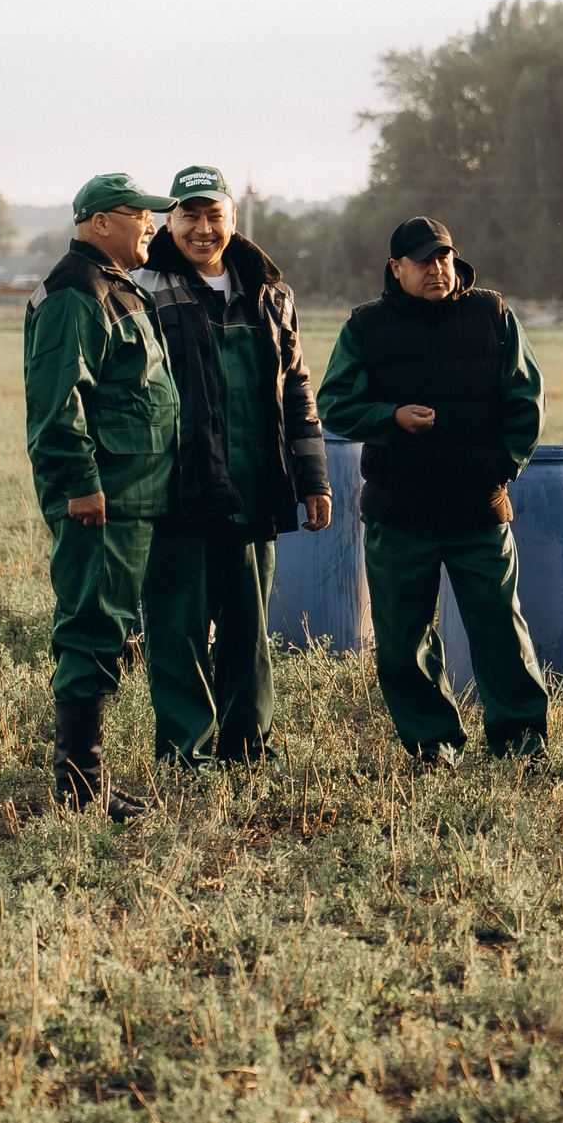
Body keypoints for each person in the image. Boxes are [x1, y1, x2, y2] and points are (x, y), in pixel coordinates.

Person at [316, 217, 551, 763]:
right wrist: (390, 416)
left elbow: (527, 403)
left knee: (499, 631)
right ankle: (433, 744)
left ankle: (520, 742)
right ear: (396, 268)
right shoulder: (365, 327)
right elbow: (335, 403)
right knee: (403, 641)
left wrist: (500, 468)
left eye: (443, 257)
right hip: (399, 514)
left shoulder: (492, 314)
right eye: (422, 261)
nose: (436, 269)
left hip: (478, 508)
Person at [130, 167, 331, 766]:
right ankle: (186, 753)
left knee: (248, 628)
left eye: (213, 214)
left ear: (233, 218)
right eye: (188, 215)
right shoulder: (142, 286)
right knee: (178, 628)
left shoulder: (270, 292)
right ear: (169, 220)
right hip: (178, 488)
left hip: (255, 486)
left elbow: (296, 387)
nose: (201, 228)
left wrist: (313, 477)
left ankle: (248, 746)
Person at [24, 173, 181, 819]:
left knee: (110, 627)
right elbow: (58, 402)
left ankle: (87, 780)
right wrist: (82, 485)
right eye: (141, 214)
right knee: (91, 627)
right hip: (104, 498)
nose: (153, 224)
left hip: (135, 495)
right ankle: (80, 788)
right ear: (100, 221)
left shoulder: (119, 287)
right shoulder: (75, 291)